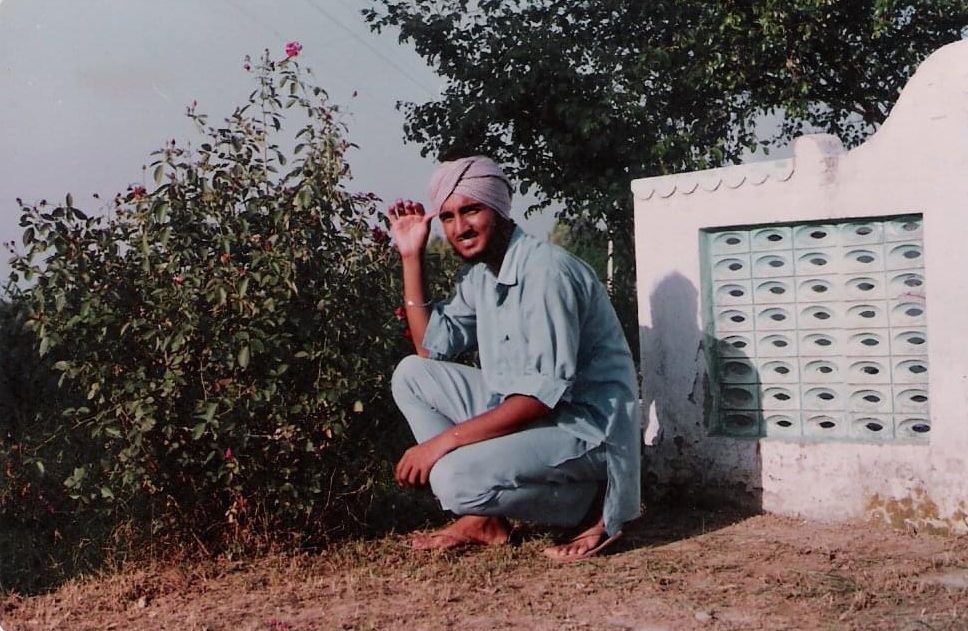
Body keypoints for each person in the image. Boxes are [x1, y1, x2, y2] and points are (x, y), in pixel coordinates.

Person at [388, 156, 640, 561]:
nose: (460, 228)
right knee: (411, 374)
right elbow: (429, 348)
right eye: (449, 217)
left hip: (586, 431)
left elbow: (539, 398)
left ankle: (591, 501)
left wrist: (440, 445)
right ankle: (483, 519)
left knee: (450, 477)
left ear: (499, 209)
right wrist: (410, 255)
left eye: (472, 210)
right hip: (533, 416)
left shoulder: (547, 273)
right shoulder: (481, 276)